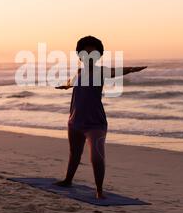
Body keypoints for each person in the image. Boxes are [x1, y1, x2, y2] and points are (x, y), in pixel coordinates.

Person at [54, 36, 147, 199]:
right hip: (75, 121)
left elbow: (115, 71)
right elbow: (73, 81)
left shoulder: (101, 71)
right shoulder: (80, 71)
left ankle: (99, 190)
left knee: (97, 157)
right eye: (86, 53)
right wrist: (65, 85)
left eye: (94, 54)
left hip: (95, 124)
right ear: (79, 55)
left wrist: (131, 69)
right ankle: (68, 180)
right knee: (74, 154)